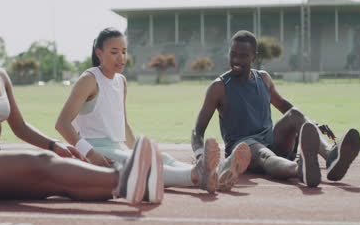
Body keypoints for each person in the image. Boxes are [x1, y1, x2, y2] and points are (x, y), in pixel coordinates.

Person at [0, 0, 162, 205]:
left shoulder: (0, 75)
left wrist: (55, 145)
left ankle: (128, 189)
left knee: (53, 181)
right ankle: (126, 177)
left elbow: (20, 127)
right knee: (41, 163)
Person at [56, 27, 248, 194]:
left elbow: (122, 123)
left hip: (117, 147)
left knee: (160, 157)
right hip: (96, 150)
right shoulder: (89, 80)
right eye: (114, 52)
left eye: (124, 51)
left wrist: (138, 149)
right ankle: (196, 176)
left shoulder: (120, 81)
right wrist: (90, 153)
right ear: (99, 53)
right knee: (145, 166)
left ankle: (216, 173)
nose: (121, 57)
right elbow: (62, 124)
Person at [191, 30, 360, 188]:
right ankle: (299, 170)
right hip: (244, 146)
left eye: (243, 56)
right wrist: (200, 156)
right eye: (233, 54)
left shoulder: (263, 78)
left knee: (294, 114)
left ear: (254, 57)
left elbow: (285, 106)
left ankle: (331, 156)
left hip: (271, 138)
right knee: (265, 154)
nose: (236, 60)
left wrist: (312, 125)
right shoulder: (219, 87)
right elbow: (197, 131)